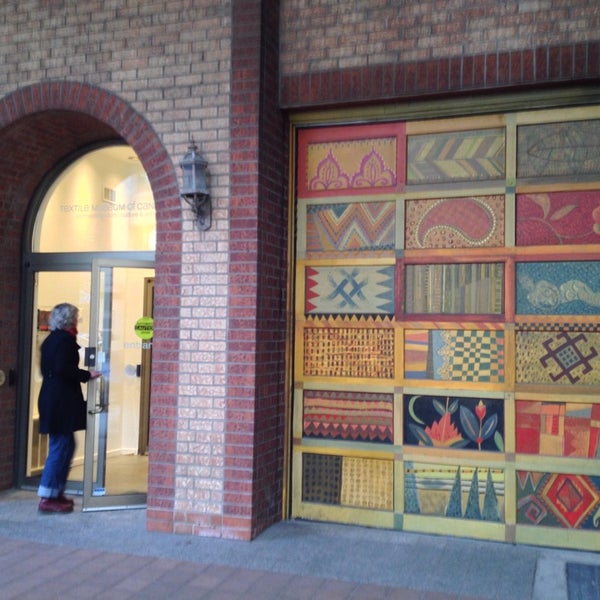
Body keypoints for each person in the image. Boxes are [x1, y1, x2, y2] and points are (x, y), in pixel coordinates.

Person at [37, 302, 101, 513]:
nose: (77, 320)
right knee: (60, 447)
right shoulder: (65, 340)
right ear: (69, 319)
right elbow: (62, 368)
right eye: (76, 317)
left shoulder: (51, 340)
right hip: (59, 401)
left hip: (52, 398)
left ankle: (55, 492)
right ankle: (48, 496)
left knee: (65, 445)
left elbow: (52, 369)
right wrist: (86, 375)